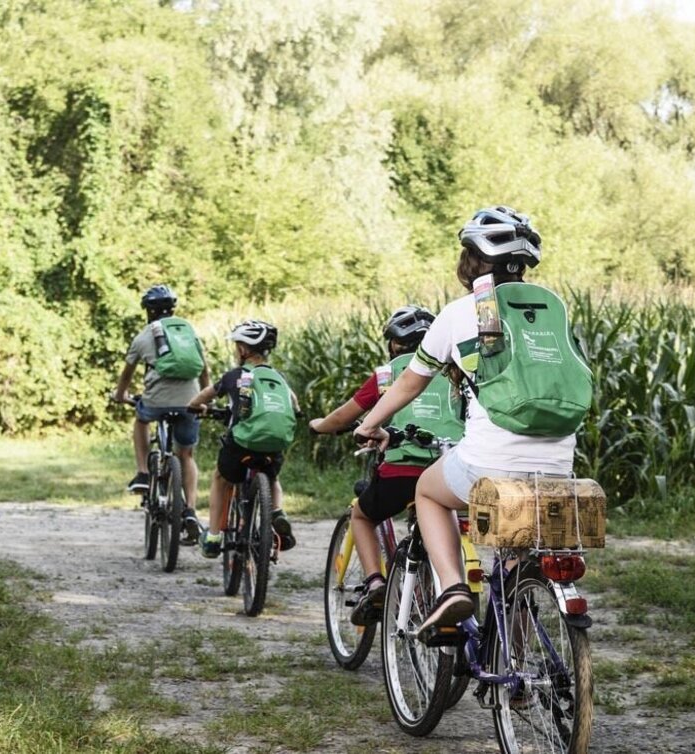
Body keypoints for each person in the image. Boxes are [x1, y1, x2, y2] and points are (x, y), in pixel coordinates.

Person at [355, 206, 587, 634]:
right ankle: (515, 676)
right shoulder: (552, 307)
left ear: (473, 260)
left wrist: (369, 423)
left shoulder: (462, 311)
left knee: (428, 492)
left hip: (490, 461)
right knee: (515, 561)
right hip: (558, 463)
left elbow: (408, 384)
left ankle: (453, 589)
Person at [310, 305, 465, 626]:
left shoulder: (388, 374)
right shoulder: (455, 371)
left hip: (402, 472)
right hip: (452, 469)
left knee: (361, 514)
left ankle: (375, 583)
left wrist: (319, 425)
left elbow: (344, 415)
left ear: (394, 344)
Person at [187, 320, 300, 558]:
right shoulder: (278, 378)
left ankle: (214, 536)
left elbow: (203, 397)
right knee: (272, 476)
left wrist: (196, 407)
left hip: (242, 445)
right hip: (275, 445)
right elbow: (295, 405)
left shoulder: (234, 376)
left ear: (243, 350)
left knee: (221, 477)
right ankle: (278, 512)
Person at [113, 284, 207, 543]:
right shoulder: (188, 332)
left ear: (148, 312)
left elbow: (127, 374)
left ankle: (143, 472)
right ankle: (189, 509)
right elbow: (203, 368)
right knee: (186, 454)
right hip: (191, 400)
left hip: (156, 401)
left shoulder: (144, 336)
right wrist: (204, 396)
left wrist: (121, 395)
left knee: (142, 418)